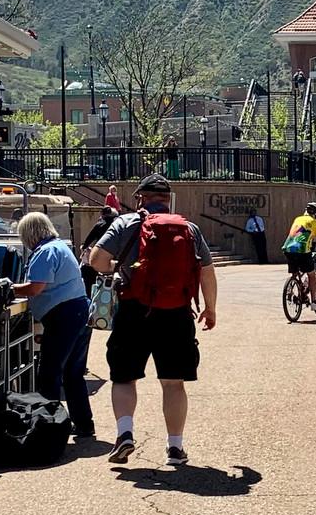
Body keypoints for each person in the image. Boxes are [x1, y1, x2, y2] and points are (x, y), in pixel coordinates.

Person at [87, 174, 219, 466]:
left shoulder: (125, 223)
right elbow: (207, 271)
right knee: (173, 383)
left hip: (134, 308)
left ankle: (125, 434)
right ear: (168, 200)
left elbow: (96, 261)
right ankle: (174, 447)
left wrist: (119, 268)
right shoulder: (189, 228)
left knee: (124, 376)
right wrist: (210, 308)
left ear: (140, 199)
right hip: (176, 311)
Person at [17, 210, 95, 439]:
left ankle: (49, 427)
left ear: (30, 234)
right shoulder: (61, 247)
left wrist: (8, 288)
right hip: (80, 311)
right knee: (74, 373)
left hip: (63, 316)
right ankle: (83, 424)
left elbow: (35, 288)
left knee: (50, 372)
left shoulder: (45, 252)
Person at [280, 201, 316, 305]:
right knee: (311, 275)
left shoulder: (298, 219)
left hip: (288, 249)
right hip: (302, 250)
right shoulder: (314, 222)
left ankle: (291, 290)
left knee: (295, 272)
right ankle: (314, 301)